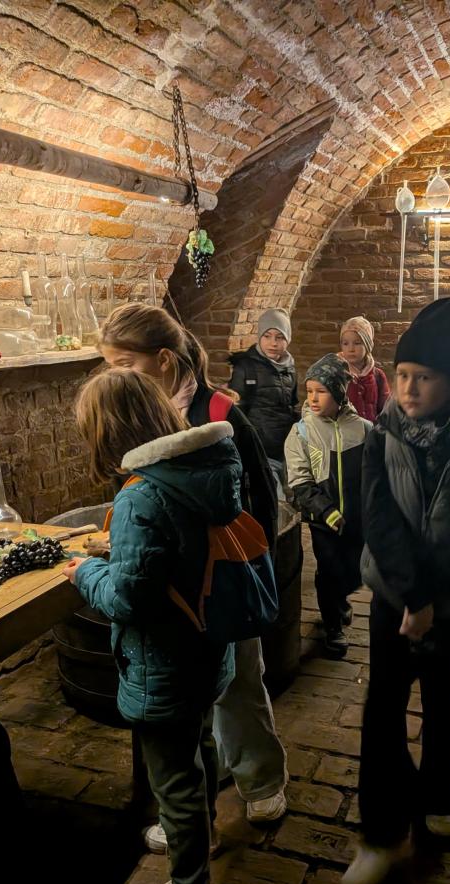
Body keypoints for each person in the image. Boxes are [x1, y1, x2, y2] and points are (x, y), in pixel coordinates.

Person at [342, 297, 450, 884]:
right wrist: (413, 598)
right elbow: (378, 519)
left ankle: (440, 795)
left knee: (442, 700)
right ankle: (381, 831)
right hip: (395, 594)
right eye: (404, 375)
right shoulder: (382, 435)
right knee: (383, 710)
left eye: (425, 378)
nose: (409, 389)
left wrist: (437, 601)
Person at [65, 369, 241, 884]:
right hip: (206, 648)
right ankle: (201, 834)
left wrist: (85, 571)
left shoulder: (142, 496)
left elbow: (128, 599)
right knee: (201, 747)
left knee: (174, 780)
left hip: (164, 661)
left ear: (109, 432)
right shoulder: (200, 472)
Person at [98, 304, 288, 828]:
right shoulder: (138, 415)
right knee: (187, 703)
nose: (116, 376)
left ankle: (261, 780)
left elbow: (261, 504)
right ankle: (192, 809)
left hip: (222, 577)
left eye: (124, 364)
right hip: (175, 591)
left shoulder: (221, 412)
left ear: (163, 359)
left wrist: (250, 578)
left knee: (239, 686)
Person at [284, 353, 370, 658]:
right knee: (330, 571)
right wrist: (326, 510)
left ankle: (339, 600)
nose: (313, 398)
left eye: (321, 391)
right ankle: (333, 627)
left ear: (338, 392)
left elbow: (375, 475)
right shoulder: (302, 433)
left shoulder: (364, 429)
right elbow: (300, 481)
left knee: (355, 571)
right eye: (309, 391)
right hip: (324, 522)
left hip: (357, 520)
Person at [229, 307, 299, 496]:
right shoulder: (246, 367)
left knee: (289, 497)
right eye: (267, 336)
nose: (273, 343)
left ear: (288, 340)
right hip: (259, 448)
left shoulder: (290, 369)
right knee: (274, 498)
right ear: (259, 336)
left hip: (285, 449)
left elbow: (292, 406)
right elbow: (236, 411)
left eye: (280, 337)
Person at [338, 315, 390, 423]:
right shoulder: (336, 373)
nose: (351, 349)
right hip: (346, 431)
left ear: (367, 345)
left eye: (357, 343)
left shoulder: (377, 375)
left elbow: (386, 410)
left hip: (372, 431)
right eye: (345, 343)